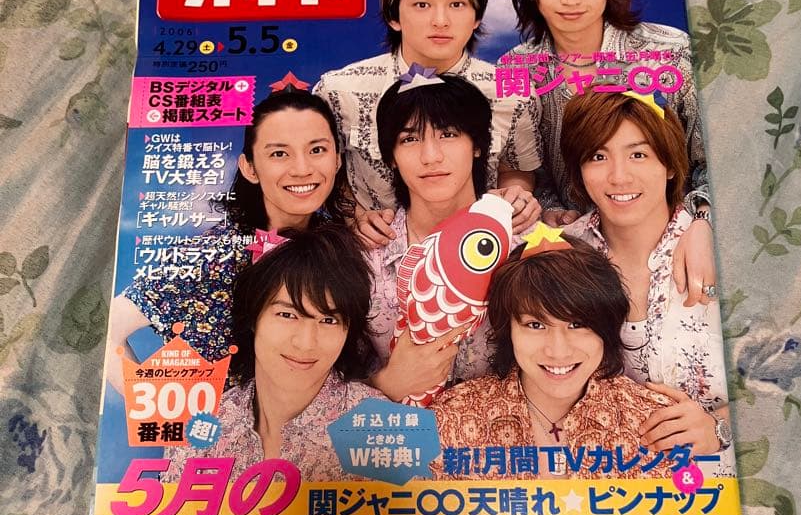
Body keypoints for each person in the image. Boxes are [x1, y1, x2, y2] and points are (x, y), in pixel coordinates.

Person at [505, 0, 714, 304]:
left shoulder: (668, 53)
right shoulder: (516, 69)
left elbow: (715, 163)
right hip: (574, 254)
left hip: (678, 239)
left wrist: (703, 222)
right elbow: (527, 173)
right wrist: (548, 210)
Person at [106, 88, 350, 392]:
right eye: (279, 153)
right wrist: (146, 401)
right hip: (223, 419)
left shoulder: (342, 241)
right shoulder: (211, 254)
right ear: (249, 167)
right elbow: (109, 327)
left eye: (317, 150)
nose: (302, 169)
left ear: (337, 160)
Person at [314, 0, 541, 246]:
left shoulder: (513, 91)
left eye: (457, 4)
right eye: (422, 4)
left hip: (477, 249)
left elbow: (517, 167)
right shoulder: (340, 90)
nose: (440, 21)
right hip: (376, 251)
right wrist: (356, 216)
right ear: (394, 16)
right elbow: (325, 170)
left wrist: (516, 198)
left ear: (477, 16)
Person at [560, 89, 735, 474]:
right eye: (598, 156)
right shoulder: (558, 255)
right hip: (602, 492)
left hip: (722, 490)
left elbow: (789, 379)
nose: (619, 176)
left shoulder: (728, 250)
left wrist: (721, 426)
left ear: (669, 164)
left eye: (638, 154)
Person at [431, 231, 677, 478]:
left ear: (606, 327)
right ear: (508, 329)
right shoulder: (451, 418)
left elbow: (692, 493)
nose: (558, 351)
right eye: (536, 325)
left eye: (577, 324)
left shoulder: (657, 422)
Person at [164, 226, 383, 482]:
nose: (305, 343)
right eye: (287, 315)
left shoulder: (380, 429)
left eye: (328, 320)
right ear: (254, 317)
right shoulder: (203, 427)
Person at [366, 70, 525, 403]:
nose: (431, 156)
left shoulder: (523, 241)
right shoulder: (364, 257)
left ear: (477, 145)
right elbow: (323, 384)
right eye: (409, 139)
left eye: (448, 134)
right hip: (397, 432)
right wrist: (384, 384)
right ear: (391, 157)